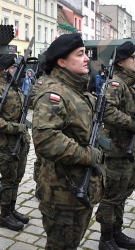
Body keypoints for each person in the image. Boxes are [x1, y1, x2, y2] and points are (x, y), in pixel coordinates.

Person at [31, 33, 104, 249]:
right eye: (80, 54)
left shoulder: (76, 90)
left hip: (78, 188)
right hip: (62, 193)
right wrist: (88, 155)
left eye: (86, 54)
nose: (86, 58)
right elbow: (46, 140)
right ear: (62, 62)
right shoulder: (54, 93)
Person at [96, 41, 135, 250]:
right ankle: (106, 238)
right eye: (134, 57)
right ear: (122, 62)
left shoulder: (130, 84)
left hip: (128, 150)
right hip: (116, 151)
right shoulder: (116, 84)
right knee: (112, 195)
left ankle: (117, 231)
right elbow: (107, 112)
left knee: (124, 191)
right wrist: (133, 123)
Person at [0, 54, 31, 231]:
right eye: (13, 68)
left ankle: (11, 209)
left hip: (21, 144)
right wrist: (16, 128)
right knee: (8, 180)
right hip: (7, 147)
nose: (17, 71)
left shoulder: (16, 89)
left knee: (17, 179)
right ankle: (4, 215)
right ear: (4, 71)